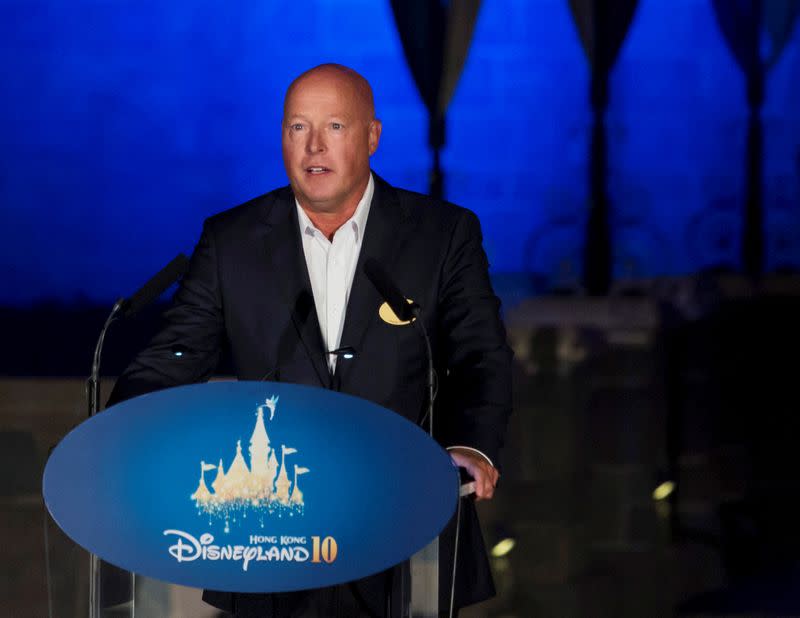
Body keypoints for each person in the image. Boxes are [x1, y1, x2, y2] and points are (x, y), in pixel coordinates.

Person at [108, 63, 512, 617]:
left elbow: (480, 358)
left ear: (372, 136)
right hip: (272, 540)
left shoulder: (442, 235)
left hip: (402, 530)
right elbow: (174, 356)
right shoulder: (233, 241)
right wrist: (118, 436)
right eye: (298, 127)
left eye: (335, 128)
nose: (313, 146)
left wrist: (471, 444)